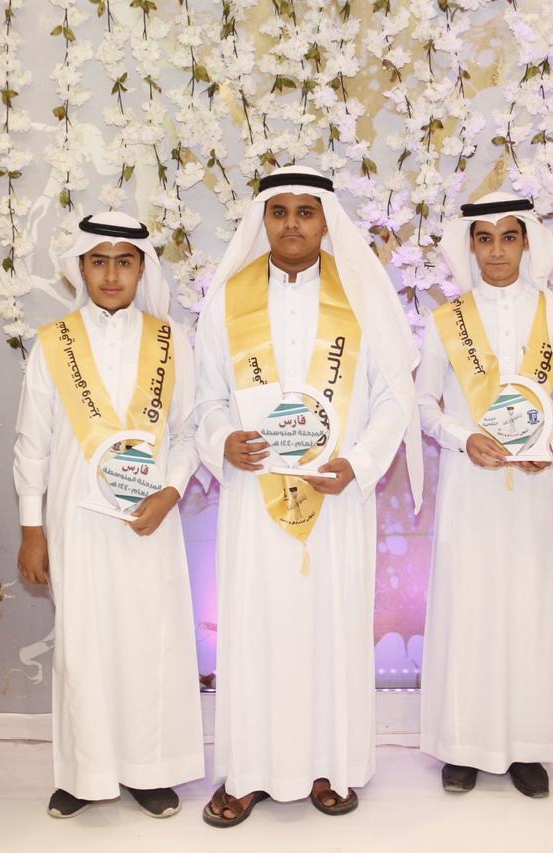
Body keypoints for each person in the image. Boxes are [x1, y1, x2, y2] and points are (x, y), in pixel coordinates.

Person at [191, 165, 423, 827]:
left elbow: (393, 397)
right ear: (263, 219)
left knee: (331, 627)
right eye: (279, 211)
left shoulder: (361, 296)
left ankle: (330, 765)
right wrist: (222, 441)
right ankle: (249, 773)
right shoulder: (228, 299)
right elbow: (205, 397)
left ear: (325, 221)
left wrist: (360, 462)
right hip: (255, 496)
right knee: (255, 628)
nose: (292, 224)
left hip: (337, 497)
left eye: (305, 211)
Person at [13, 212, 204, 820]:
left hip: (151, 520)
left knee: (150, 640)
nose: (112, 274)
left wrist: (171, 492)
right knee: (83, 644)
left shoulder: (171, 341)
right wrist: (32, 529)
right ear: (81, 268)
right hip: (76, 521)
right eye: (100, 261)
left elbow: (188, 431)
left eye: (125, 261)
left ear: (142, 269)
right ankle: (85, 773)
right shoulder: (53, 343)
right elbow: (32, 444)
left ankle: (150, 771)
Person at [417, 193, 553, 798]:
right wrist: (464, 439)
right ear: (470, 246)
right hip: (470, 485)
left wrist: (550, 438)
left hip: (530, 488)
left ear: (526, 242)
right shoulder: (448, 319)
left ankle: (526, 748)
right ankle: (462, 746)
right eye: (483, 238)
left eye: (508, 237)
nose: (496, 251)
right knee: (468, 607)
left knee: (526, 610)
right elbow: (424, 404)